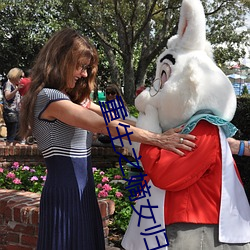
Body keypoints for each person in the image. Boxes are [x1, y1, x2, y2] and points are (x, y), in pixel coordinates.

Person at [19, 28, 196, 250]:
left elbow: (118, 119)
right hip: (66, 192)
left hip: (82, 190)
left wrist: (163, 124)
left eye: (86, 68)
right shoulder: (49, 98)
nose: (83, 74)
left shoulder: (70, 100)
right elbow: (104, 125)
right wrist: (159, 139)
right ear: (61, 60)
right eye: (80, 66)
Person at [3, 68, 24, 146]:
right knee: (11, 135)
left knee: (17, 136)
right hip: (10, 112)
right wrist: (17, 89)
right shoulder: (8, 84)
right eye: (20, 76)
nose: (22, 79)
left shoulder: (15, 85)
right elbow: (7, 96)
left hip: (16, 112)